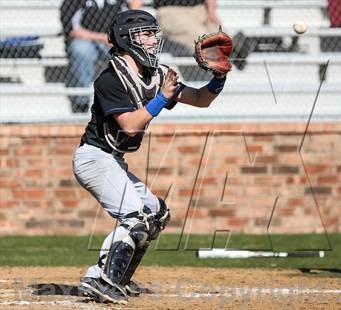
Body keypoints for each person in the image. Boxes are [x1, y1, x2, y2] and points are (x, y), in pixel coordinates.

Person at [73, 9, 229, 304]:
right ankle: (99, 277)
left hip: (113, 160)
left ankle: (119, 277)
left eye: (152, 34)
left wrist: (218, 78)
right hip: (94, 159)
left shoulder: (155, 74)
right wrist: (161, 98)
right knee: (135, 217)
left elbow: (200, 100)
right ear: (125, 39)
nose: (151, 40)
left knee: (156, 214)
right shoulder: (111, 78)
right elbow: (130, 126)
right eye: (144, 35)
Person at [60, 0, 142, 113]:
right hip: (87, 40)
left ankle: (133, 99)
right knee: (81, 50)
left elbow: (133, 14)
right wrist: (103, 37)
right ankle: (81, 102)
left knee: (133, 47)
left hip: (114, 40)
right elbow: (71, 30)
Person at [153, 0, 221, 56]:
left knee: (223, 39)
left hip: (200, 9)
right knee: (203, 39)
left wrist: (211, 12)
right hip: (170, 9)